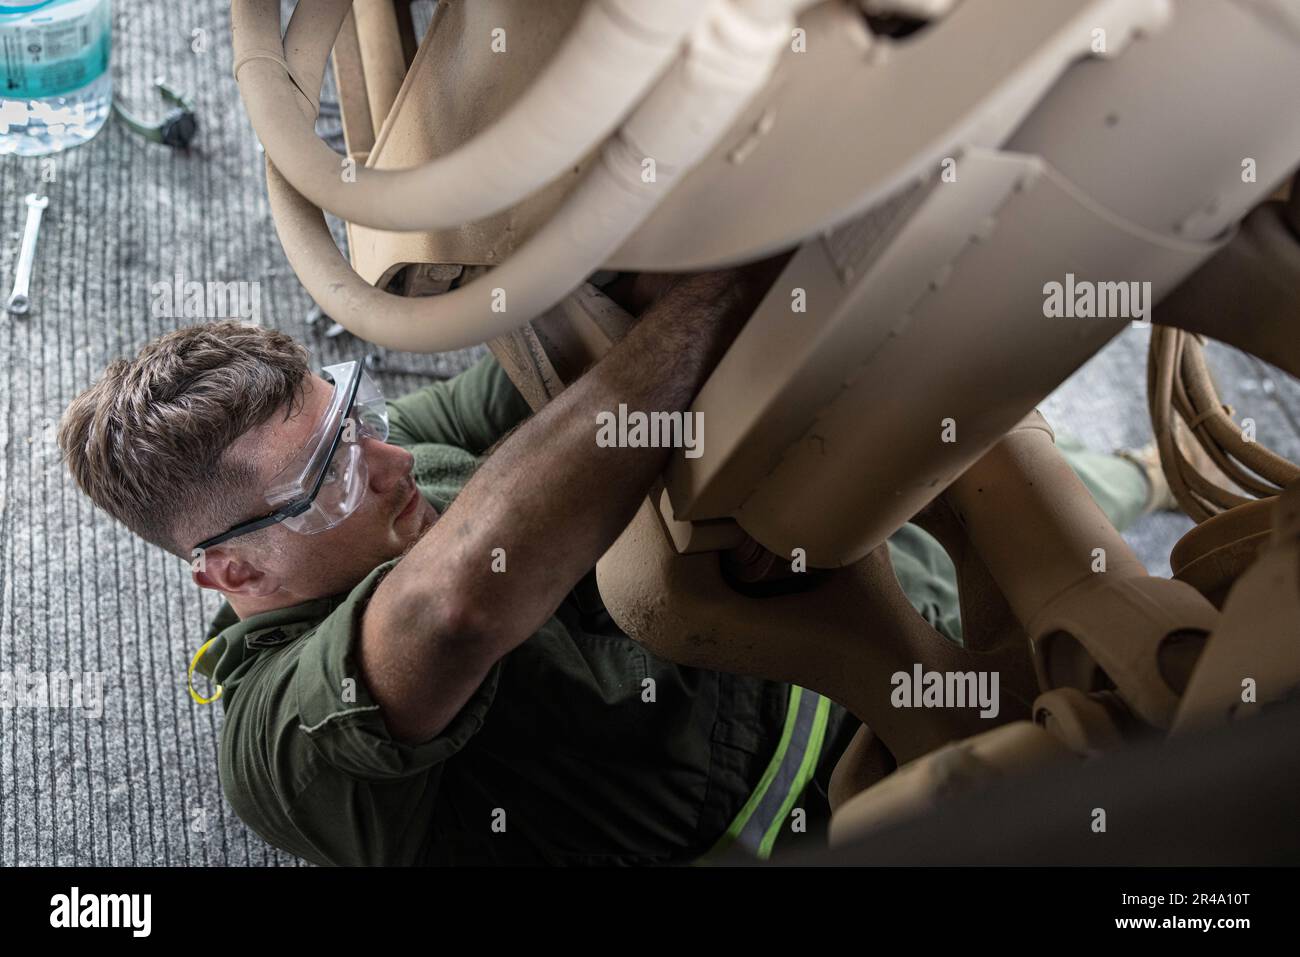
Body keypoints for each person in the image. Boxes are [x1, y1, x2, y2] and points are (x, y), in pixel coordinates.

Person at [57, 268, 1162, 865]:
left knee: (1022, 466)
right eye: (329, 480)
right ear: (232, 574)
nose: (389, 462)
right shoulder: (281, 744)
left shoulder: (397, 467)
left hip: (871, 578)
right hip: (851, 799)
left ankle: (1149, 472)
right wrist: (731, 289)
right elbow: (449, 612)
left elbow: (584, 348)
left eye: (351, 423)